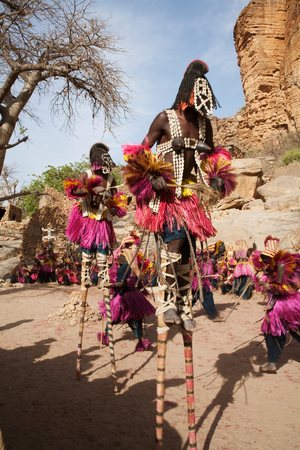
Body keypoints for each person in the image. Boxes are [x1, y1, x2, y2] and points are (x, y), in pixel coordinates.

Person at [123, 60, 237, 332]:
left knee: (187, 253)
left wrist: (218, 177)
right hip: (166, 199)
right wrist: (151, 174)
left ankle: (185, 306)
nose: (201, 106)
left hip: (190, 198)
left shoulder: (204, 125)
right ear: (188, 93)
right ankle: (169, 304)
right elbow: (140, 150)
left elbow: (211, 157)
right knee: (174, 245)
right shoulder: (165, 118)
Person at [64, 143, 128, 288]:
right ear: (97, 162)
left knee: (102, 247)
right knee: (87, 246)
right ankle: (85, 276)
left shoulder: (110, 179)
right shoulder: (86, 175)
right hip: (87, 218)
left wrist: (114, 208)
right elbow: (74, 191)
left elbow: (117, 198)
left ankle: (103, 277)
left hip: (103, 219)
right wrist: (90, 188)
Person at [97, 231, 156, 351]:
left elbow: (121, 283)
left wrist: (111, 285)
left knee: (115, 318)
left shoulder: (124, 267)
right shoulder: (134, 267)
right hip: (134, 296)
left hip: (125, 297)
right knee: (132, 319)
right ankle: (140, 341)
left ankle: (108, 336)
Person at [251, 235, 300, 373]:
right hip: (282, 304)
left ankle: (272, 362)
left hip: (286, 305)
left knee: (277, 332)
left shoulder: (281, 266)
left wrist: (264, 285)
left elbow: (279, 288)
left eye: (267, 259)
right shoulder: (273, 268)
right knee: (287, 331)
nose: (264, 261)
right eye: (263, 259)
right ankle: (272, 362)